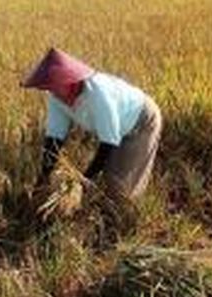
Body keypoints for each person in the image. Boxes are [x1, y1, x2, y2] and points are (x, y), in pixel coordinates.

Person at [21, 48, 163, 206]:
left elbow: (108, 143)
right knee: (107, 179)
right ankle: (107, 217)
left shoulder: (98, 95)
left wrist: (82, 182)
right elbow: (54, 140)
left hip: (141, 120)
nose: (50, 91)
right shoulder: (56, 98)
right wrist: (43, 178)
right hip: (118, 127)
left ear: (68, 81)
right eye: (48, 87)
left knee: (120, 187)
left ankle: (128, 223)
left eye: (54, 86)